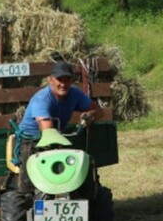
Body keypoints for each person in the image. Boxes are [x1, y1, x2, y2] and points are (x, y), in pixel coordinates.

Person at [15, 61, 102, 192]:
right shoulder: (42, 99)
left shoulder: (75, 94)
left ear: (72, 81)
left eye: (67, 79)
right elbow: (48, 131)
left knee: (82, 167)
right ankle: (31, 197)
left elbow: (99, 111)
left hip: (58, 136)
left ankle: (82, 194)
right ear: (50, 80)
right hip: (31, 140)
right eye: (59, 79)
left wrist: (90, 115)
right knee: (29, 185)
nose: (63, 84)